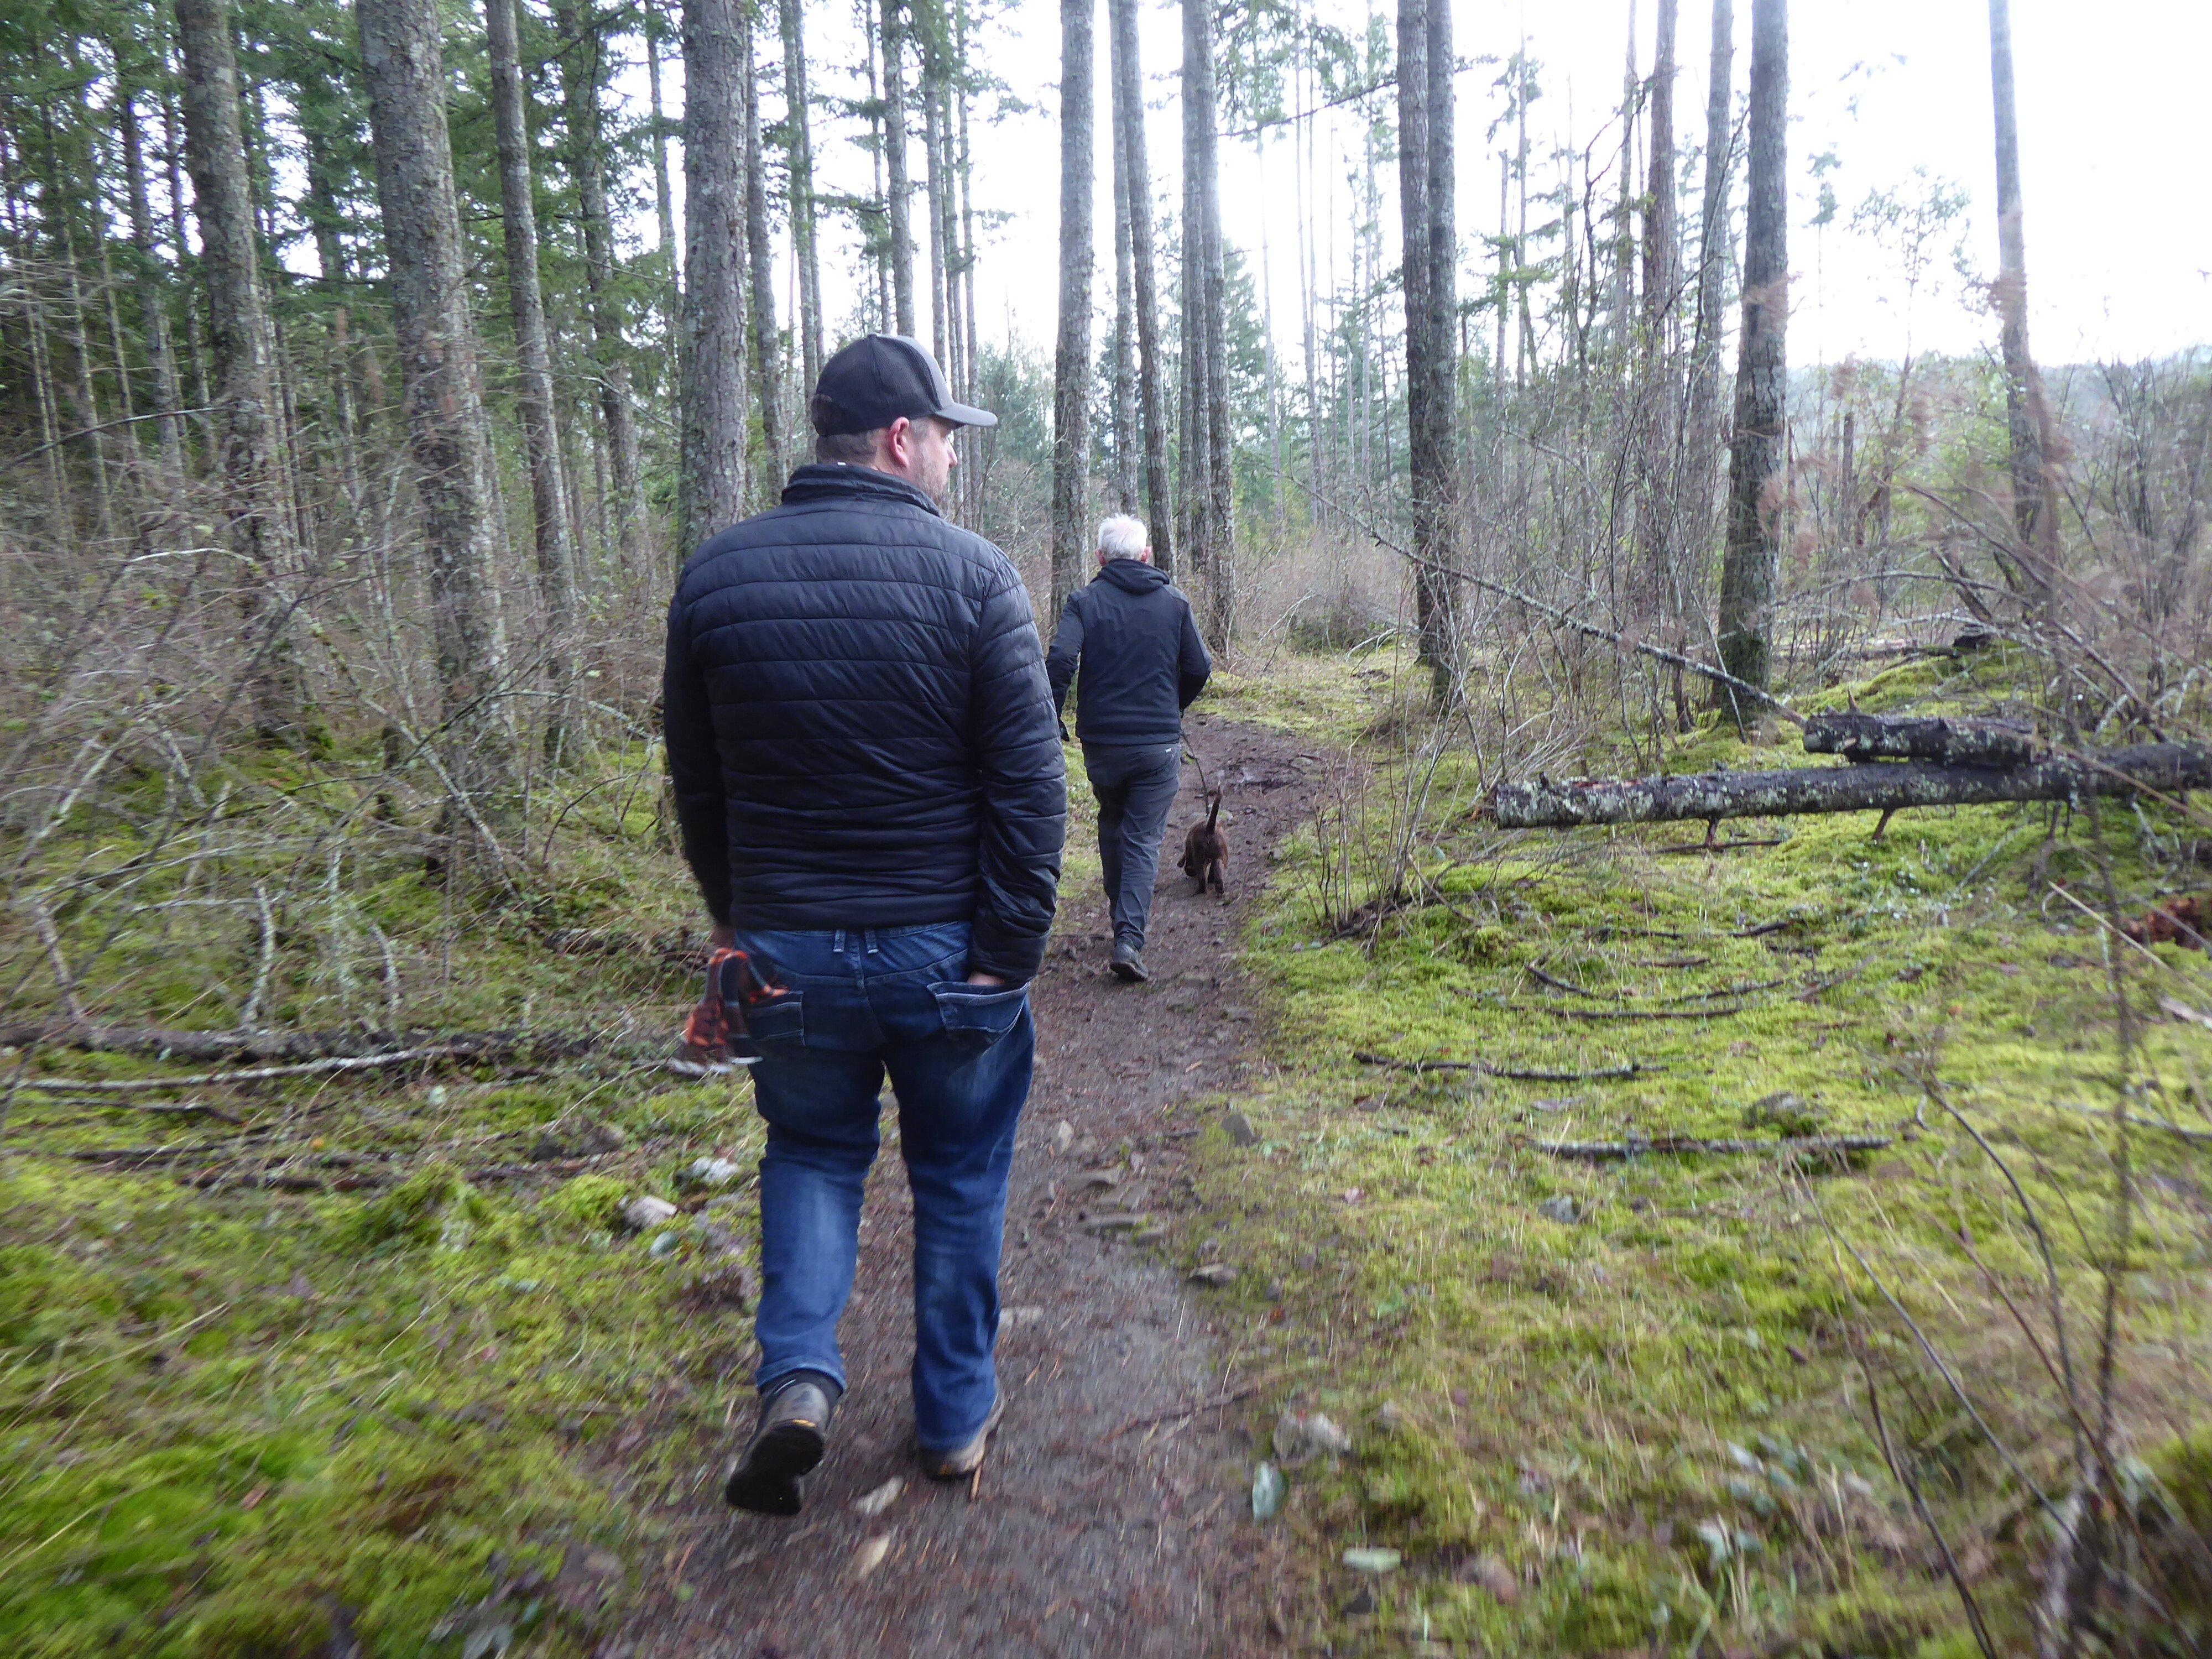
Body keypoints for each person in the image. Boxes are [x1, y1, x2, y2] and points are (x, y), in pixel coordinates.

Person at [661, 335, 1066, 1517]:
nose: (948, 454)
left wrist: (743, 922)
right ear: (902, 441)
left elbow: (700, 787)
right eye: (944, 434)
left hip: (789, 951)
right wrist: (1010, 950)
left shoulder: (715, 579)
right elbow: (1030, 790)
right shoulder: (976, 578)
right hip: (945, 951)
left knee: (813, 1154)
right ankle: (949, 1420)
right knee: (957, 1170)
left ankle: (794, 1382)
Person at [1044, 515, 1211, 983]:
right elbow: (1199, 667)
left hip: (1102, 743)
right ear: (1146, 556)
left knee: (1113, 822)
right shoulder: (1175, 603)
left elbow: (1059, 659)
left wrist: (1051, 714)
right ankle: (1129, 938)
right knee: (1141, 837)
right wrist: (1170, 708)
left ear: (1100, 558)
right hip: (1157, 746)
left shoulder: (1083, 602)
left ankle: (1123, 917)